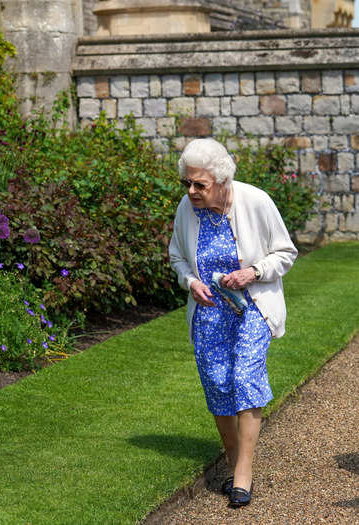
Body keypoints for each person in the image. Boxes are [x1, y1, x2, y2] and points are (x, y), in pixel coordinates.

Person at [168, 138, 297, 508]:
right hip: (209, 311)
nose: (191, 191)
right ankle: (232, 459)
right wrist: (190, 282)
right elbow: (177, 257)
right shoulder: (186, 209)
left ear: (221, 181)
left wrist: (252, 272)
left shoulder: (255, 201)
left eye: (199, 185)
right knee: (219, 383)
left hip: (253, 306)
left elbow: (285, 252)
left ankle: (243, 474)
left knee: (244, 377)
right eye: (187, 184)